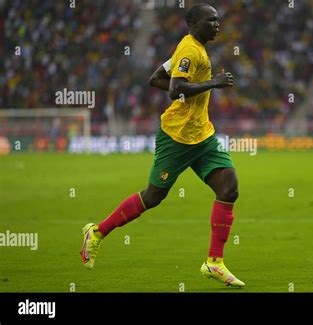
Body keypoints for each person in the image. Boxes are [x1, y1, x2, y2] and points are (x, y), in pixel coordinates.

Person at [80, 3, 245, 288]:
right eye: (212, 20)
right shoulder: (191, 51)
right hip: (177, 137)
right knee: (153, 197)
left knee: (229, 187)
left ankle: (214, 262)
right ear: (194, 23)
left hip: (202, 136)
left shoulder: (190, 48)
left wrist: (200, 87)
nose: (218, 25)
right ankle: (96, 232)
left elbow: (155, 78)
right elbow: (174, 89)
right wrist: (213, 84)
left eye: (218, 20)